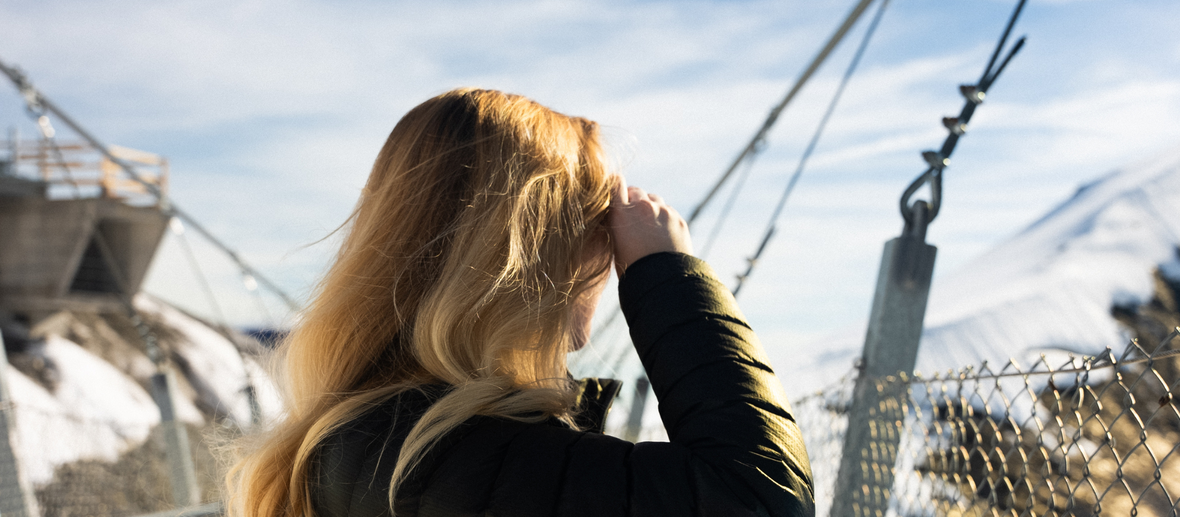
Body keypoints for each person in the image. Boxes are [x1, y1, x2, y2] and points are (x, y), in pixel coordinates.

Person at [225, 88, 813, 517]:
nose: (608, 264)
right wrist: (668, 274)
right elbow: (762, 497)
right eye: (601, 231)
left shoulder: (366, 436)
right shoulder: (468, 462)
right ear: (544, 254)